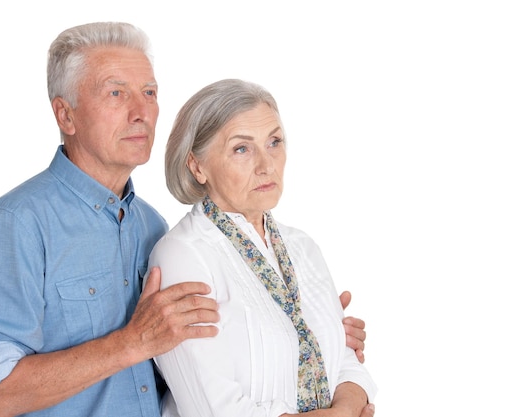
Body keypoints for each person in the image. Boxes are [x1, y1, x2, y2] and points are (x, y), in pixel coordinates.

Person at [0, 22, 371, 417]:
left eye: (150, 92)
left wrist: (307, 338)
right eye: (116, 94)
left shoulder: (150, 226)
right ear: (66, 115)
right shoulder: (15, 224)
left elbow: (189, 372)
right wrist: (130, 343)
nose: (141, 111)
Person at [148, 78, 377, 417]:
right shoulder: (182, 256)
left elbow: (347, 361)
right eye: (242, 148)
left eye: (274, 142)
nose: (266, 164)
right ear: (197, 166)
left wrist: (344, 408)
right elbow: (213, 409)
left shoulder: (303, 247)